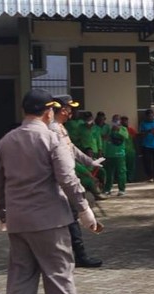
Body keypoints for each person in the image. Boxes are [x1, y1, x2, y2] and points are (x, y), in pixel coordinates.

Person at [0, 89, 97, 294]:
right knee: (59, 273)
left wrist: (3, 213)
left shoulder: (6, 141)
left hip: (18, 221)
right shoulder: (52, 140)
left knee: (20, 276)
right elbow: (67, 179)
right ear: (48, 111)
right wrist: (84, 209)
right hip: (49, 219)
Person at [51, 94, 105, 268]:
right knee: (68, 219)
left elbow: (72, 149)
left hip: (65, 181)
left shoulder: (60, 127)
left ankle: (77, 255)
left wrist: (90, 162)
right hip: (61, 182)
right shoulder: (52, 129)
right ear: (62, 109)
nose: (71, 112)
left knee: (71, 218)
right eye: (69, 108)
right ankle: (77, 256)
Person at [103, 114, 129, 196]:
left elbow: (126, 136)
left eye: (117, 119)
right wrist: (110, 131)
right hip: (109, 154)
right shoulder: (107, 128)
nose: (116, 121)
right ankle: (107, 189)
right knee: (109, 173)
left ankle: (122, 189)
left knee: (121, 172)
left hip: (120, 154)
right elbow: (103, 137)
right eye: (114, 119)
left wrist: (118, 130)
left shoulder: (123, 129)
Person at [139, 109, 154, 182]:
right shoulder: (143, 124)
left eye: (152, 116)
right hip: (146, 146)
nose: (151, 118)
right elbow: (141, 135)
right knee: (147, 162)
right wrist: (148, 131)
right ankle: (150, 177)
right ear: (146, 117)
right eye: (149, 116)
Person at [120, 115, 138, 182]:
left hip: (131, 151)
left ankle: (130, 179)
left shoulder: (131, 129)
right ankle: (124, 179)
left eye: (126, 121)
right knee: (123, 166)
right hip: (122, 151)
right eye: (123, 121)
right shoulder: (119, 130)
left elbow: (135, 139)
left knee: (131, 166)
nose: (125, 122)